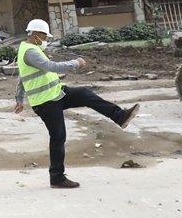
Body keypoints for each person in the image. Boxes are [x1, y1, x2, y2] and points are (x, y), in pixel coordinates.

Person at [14, 19, 140, 188]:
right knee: (58, 137)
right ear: (36, 35)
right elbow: (51, 66)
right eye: (44, 36)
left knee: (85, 94)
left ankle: (120, 116)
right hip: (45, 102)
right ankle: (57, 178)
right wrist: (76, 63)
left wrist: (19, 99)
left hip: (56, 94)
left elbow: (22, 77)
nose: (46, 40)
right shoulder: (30, 52)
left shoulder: (31, 48)